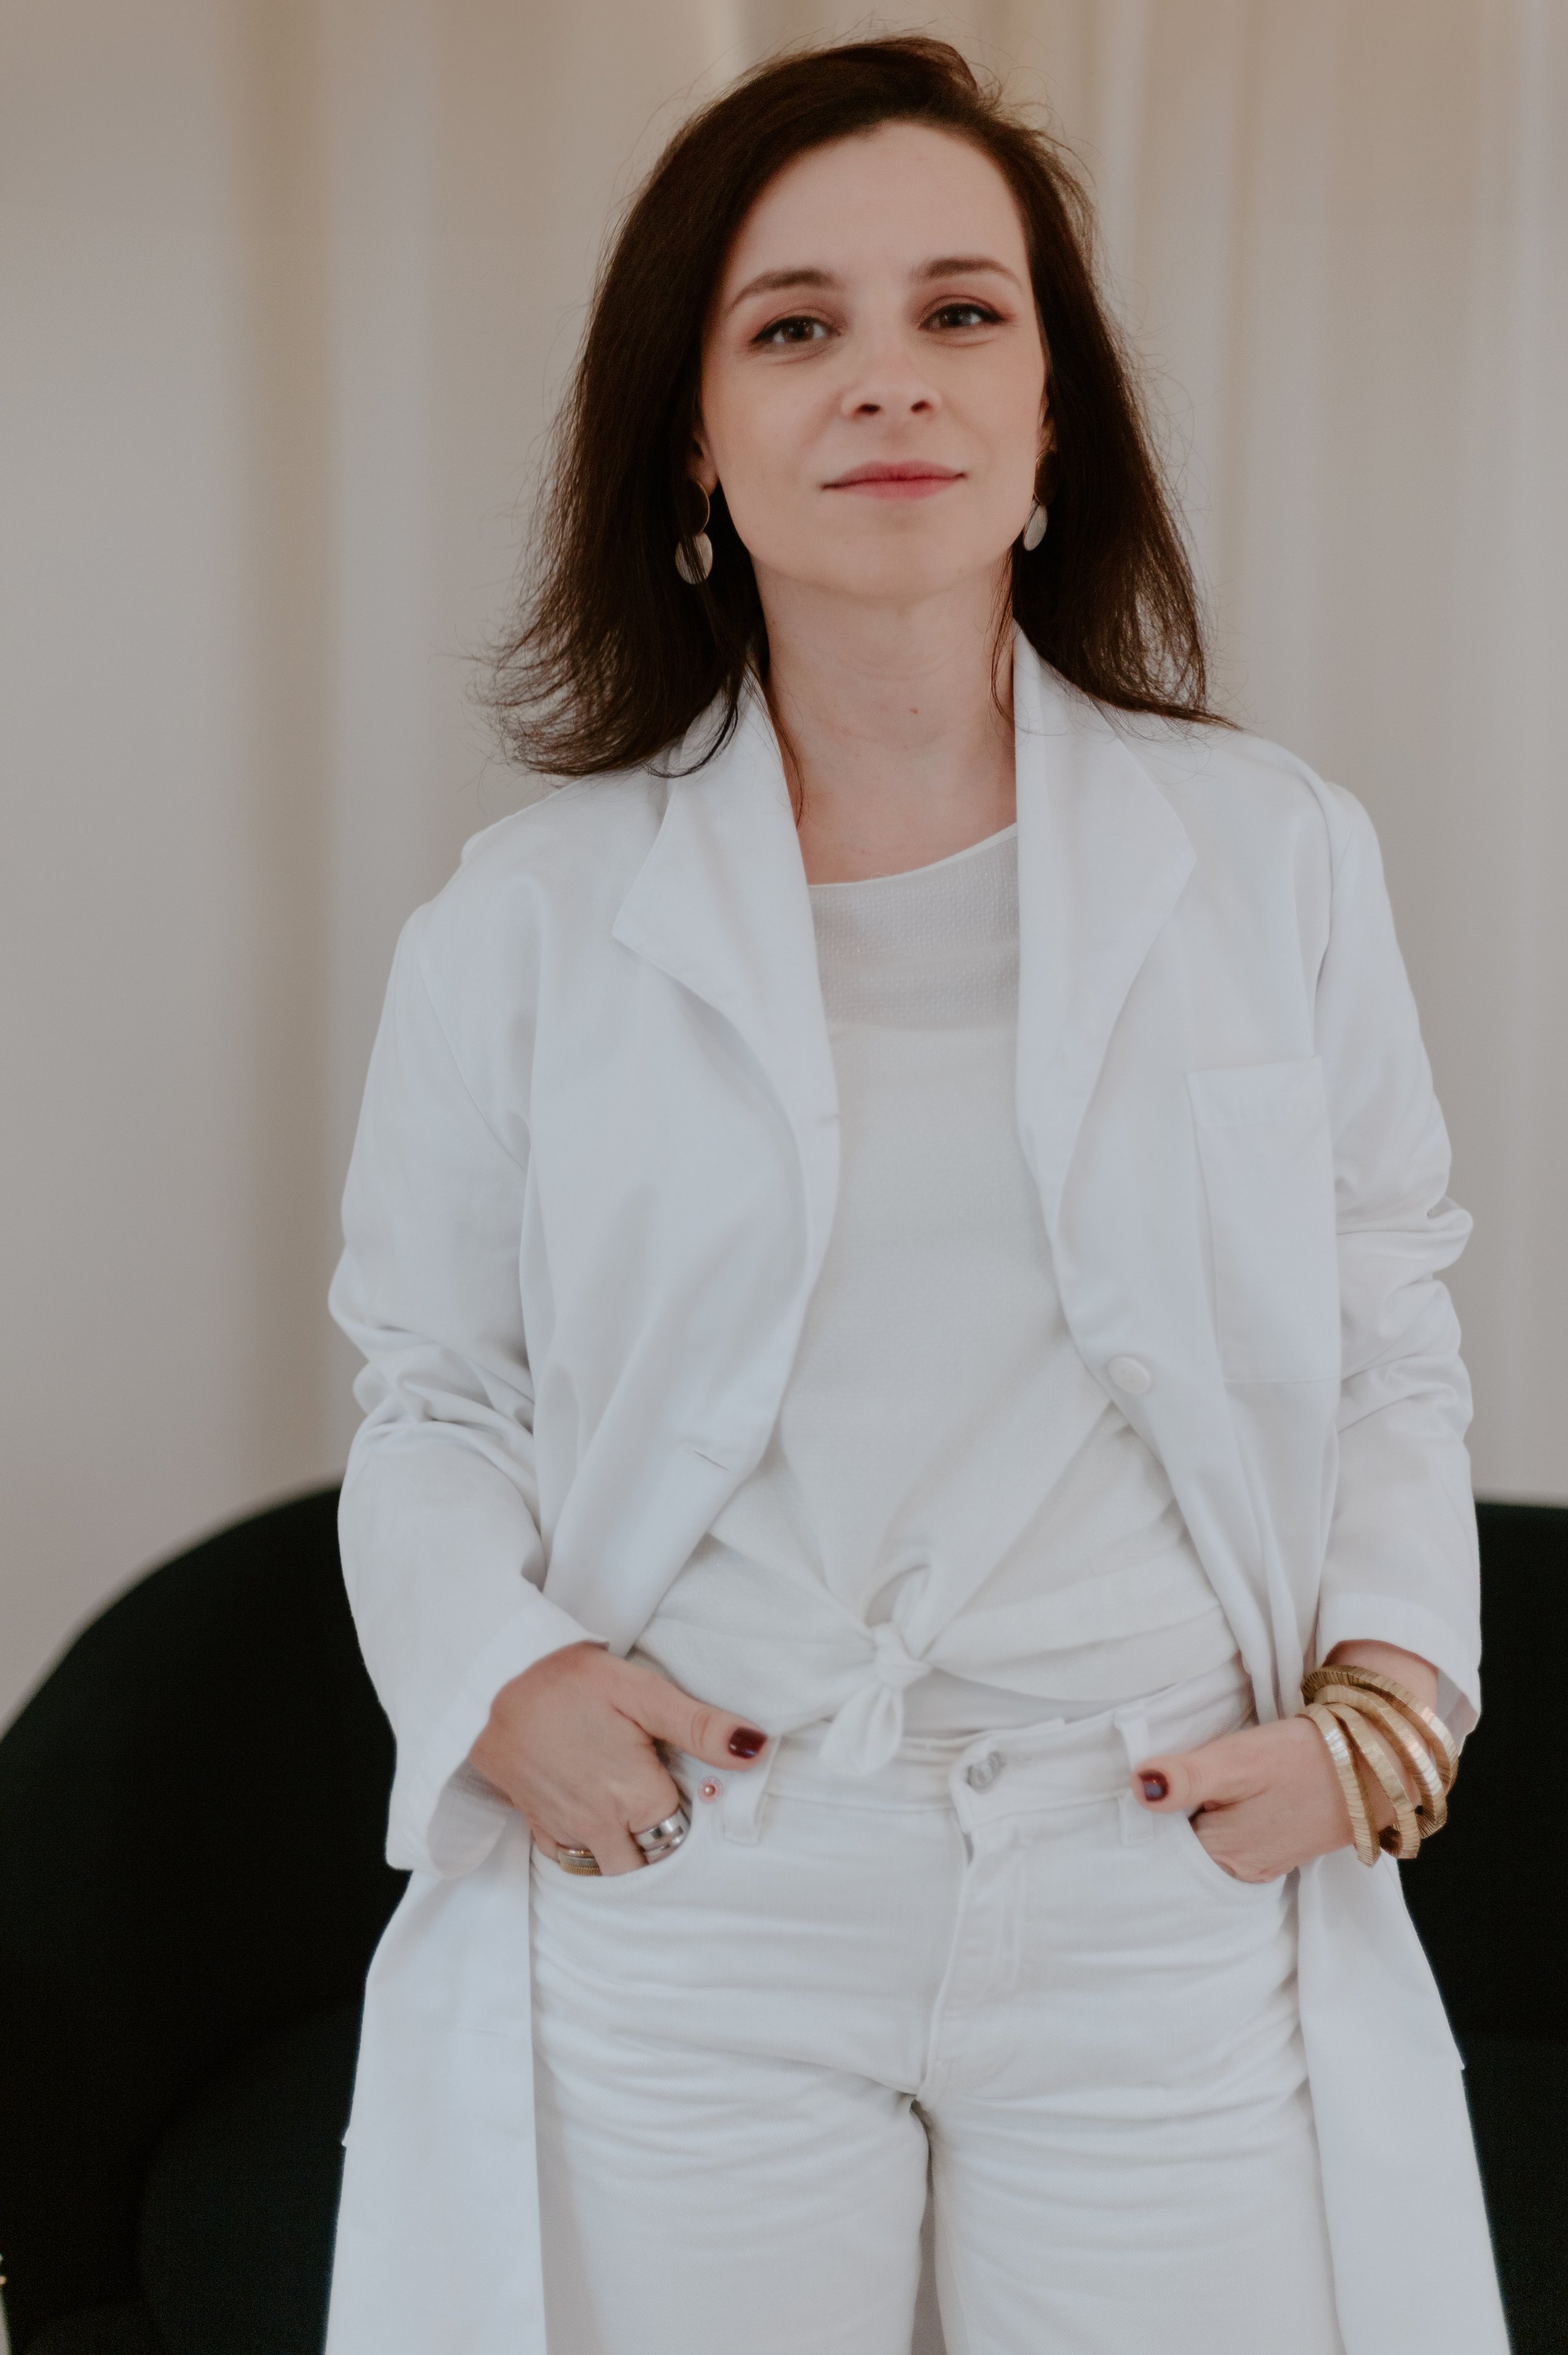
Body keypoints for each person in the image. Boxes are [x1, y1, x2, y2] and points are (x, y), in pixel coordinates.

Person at [323, 37, 1506, 2355]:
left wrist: (1385, 1705)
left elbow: (1389, 1316)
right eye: (795, 326)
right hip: (712, 1894)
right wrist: (504, 1680)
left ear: (1053, 416)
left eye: (963, 313)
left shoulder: (1269, 855)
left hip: (1160, 1870)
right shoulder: (526, 921)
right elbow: (432, 1392)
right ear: (690, 435)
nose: (890, 378)